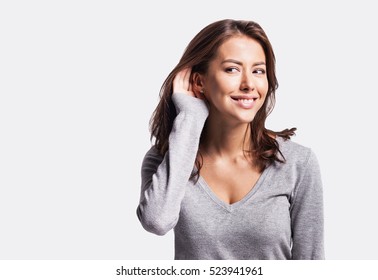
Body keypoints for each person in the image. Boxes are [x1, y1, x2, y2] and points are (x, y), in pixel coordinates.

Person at [136, 19, 324, 260]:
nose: (248, 84)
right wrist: (190, 118)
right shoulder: (165, 158)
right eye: (232, 69)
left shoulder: (298, 163)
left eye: (258, 71)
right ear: (199, 82)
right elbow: (157, 221)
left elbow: (312, 264)